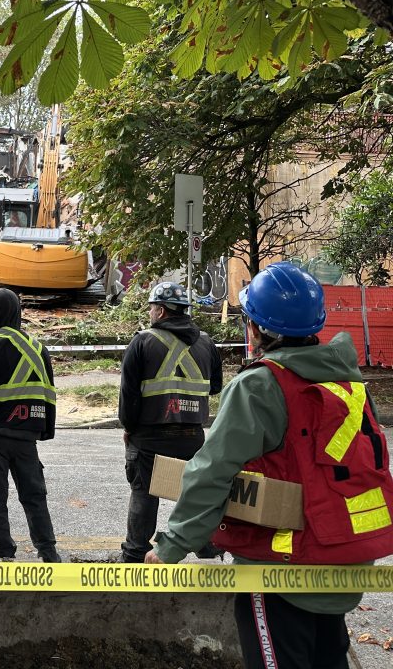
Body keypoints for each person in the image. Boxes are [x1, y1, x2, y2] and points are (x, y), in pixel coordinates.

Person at [146, 262, 393, 669]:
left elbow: (212, 471)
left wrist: (172, 544)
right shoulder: (349, 384)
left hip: (280, 568)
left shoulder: (260, 385)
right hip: (343, 558)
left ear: (256, 328)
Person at [117, 281, 223, 563]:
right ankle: (206, 546)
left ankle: (136, 552)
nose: (150, 312)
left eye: (152, 307)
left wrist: (129, 427)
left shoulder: (143, 341)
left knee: (144, 492)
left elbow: (129, 395)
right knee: (194, 493)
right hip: (192, 435)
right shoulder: (207, 343)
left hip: (150, 436)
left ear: (161, 311)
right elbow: (214, 387)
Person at [0, 288, 61, 563]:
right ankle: (48, 553)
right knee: (34, 497)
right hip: (26, 438)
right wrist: (42, 431)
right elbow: (49, 393)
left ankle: (4, 554)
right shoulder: (39, 349)